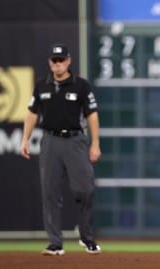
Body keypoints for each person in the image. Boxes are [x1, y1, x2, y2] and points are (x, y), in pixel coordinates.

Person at [20, 43, 102, 256]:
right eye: (54, 60)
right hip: (50, 141)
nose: (57, 64)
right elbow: (31, 113)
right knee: (50, 193)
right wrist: (25, 139)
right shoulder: (42, 86)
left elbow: (92, 115)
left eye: (61, 60)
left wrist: (95, 143)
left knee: (85, 190)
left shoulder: (81, 85)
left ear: (68, 61)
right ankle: (55, 243)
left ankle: (87, 237)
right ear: (50, 62)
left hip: (75, 140)